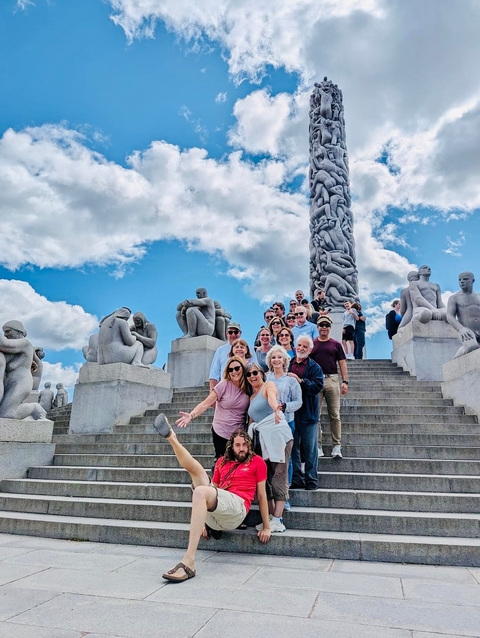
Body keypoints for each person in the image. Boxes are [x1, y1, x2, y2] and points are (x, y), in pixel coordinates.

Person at [153, 419, 271, 582]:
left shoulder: (257, 462)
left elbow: (262, 496)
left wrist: (266, 527)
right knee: (197, 473)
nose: (242, 448)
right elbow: (213, 489)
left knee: (200, 491)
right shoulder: (222, 462)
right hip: (217, 511)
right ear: (232, 446)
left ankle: (189, 562)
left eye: (245, 444)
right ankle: (172, 438)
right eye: (238, 445)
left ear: (249, 446)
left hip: (237, 509)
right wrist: (203, 524)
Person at [246, 362, 293, 533]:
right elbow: (252, 421)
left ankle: (278, 518)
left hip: (278, 434)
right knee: (265, 479)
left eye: (255, 372)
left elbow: (273, 398)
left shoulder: (269, 386)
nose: (252, 376)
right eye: (249, 374)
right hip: (262, 440)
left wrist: (275, 408)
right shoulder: (251, 398)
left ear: (261, 373)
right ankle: (271, 517)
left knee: (279, 475)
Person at [178, 355, 249, 462]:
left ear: (242, 369)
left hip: (239, 434)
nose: (234, 372)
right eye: (231, 369)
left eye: (237, 368)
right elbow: (205, 404)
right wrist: (191, 415)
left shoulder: (248, 387)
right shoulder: (223, 385)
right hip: (221, 432)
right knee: (224, 465)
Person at [266, 345, 302, 503]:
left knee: (285, 460)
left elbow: (299, 402)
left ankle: (284, 498)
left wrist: (285, 406)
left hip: (286, 423)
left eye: (279, 357)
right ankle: (270, 497)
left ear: (285, 360)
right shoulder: (266, 379)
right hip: (268, 424)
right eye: (273, 357)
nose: (276, 360)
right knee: (269, 461)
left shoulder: (291, 380)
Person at [288, 336, 324, 490]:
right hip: (292, 414)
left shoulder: (315, 367)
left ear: (310, 350)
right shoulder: (288, 364)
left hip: (309, 414)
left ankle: (311, 479)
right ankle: (296, 478)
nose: (301, 348)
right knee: (293, 448)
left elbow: (317, 387)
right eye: (299, 345)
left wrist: (301, 381)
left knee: (310, 449)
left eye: (305, 346)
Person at [310, 315, 349, 459]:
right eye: (321, 325)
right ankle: (318, 446)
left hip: (332, 378)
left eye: (326, 325)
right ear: (318, 327)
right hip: (317, 380)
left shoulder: (336, 344)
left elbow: (342, 363)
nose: (324, 327)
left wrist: (345, 381)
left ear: (330, 327)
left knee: (335, 414)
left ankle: (337, 446)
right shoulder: (312, 344)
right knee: (316, 416)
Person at [446, 271, 480, 357]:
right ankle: (456, 359)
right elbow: (449, 316)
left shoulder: (478, 296)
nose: (461, 281)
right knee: (472, 347)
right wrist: (461, 329)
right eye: (459, 280)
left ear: (473, 281)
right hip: (468, 331)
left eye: (465, 279)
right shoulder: (454, 298)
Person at [209, 322, 242, 390]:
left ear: (240, 333)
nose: (233, 335)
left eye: (236, 332)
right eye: (230, 332)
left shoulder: (248, 349)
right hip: (225, 389)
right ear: (226, 334)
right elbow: (214, 373)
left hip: (243, 389)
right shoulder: (220, 350)